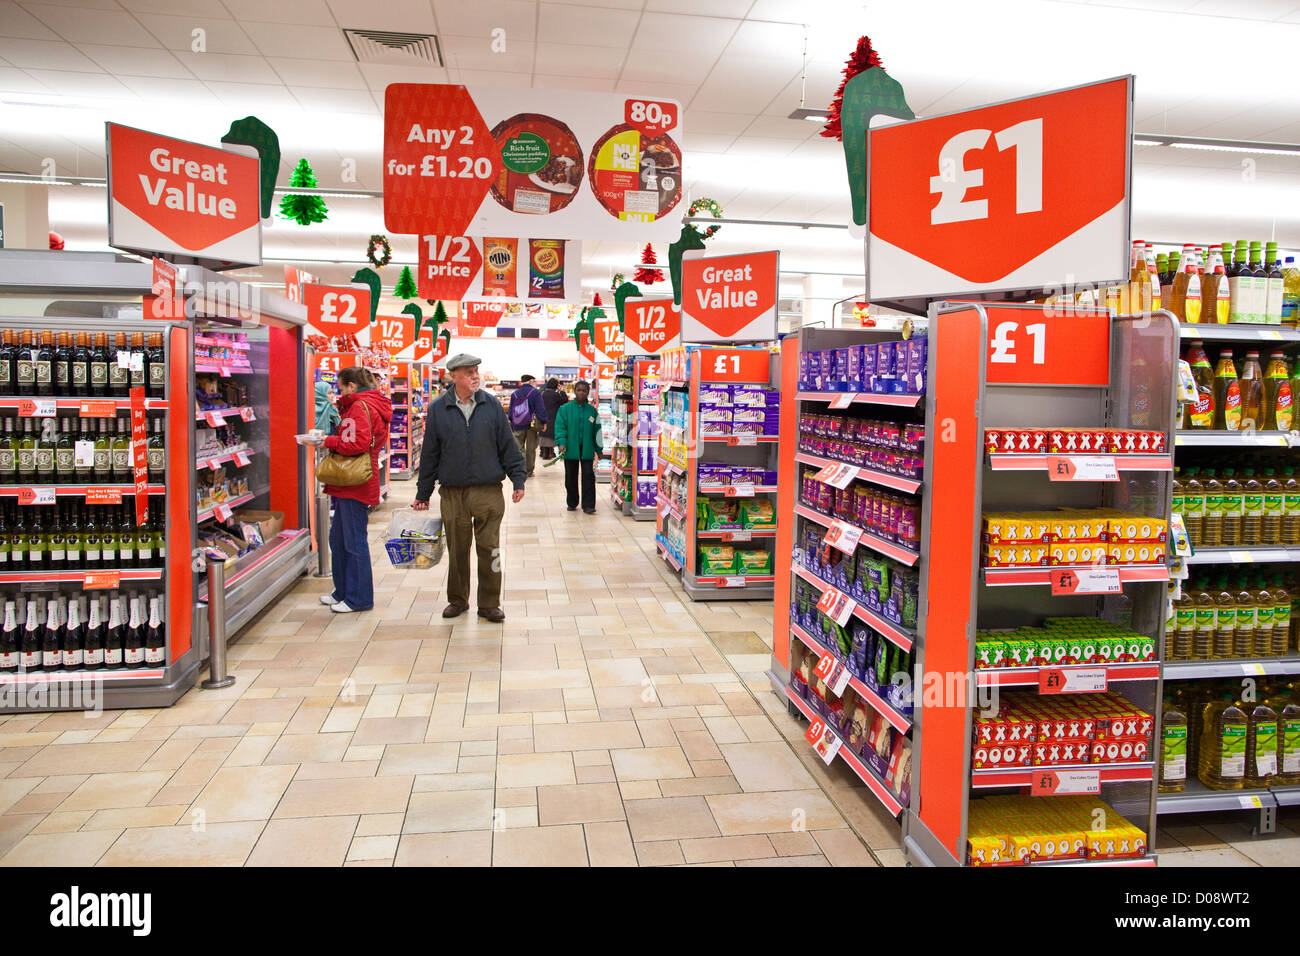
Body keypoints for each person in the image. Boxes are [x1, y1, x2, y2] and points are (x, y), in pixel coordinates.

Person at [413, 354, 526, 623]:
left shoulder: (492, 405)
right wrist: (423, 492)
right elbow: (430, 453)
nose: (475, 376)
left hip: (488, 491)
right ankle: (458, 599)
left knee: (490, 548)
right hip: (453, 493)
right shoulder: (439, 408)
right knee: (457, 549)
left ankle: (489, 603)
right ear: (453, 376)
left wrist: (518, 479)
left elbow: (507, 444)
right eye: (467, 372)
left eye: (476, 371)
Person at [317, 366, 391, 614]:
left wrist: (325, 441)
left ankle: (359, 598)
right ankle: (344, 592)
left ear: (352, 386)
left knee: (353, 541)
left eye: (341, 388)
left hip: (354, 480)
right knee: (338, 539)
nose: (339, 393)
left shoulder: (359, 406)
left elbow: (356, 442)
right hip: (353, 480)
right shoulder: (369, 404)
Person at [553, 379, 603, 514]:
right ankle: (572, 502)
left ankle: (588, 505)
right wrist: (561, 442)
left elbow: (597, 431)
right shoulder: (565, 409)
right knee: (571, 477)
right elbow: (560, 427)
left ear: (588, 393)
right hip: (570, 448)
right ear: (575, 391)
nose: (581, 393)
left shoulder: (592, 411)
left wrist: (599, 449)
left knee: (588, 475)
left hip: (587, 448)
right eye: (579, 390)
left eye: (584, 390)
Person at [507, 374, 548, 477]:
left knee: (519, 447)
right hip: (531, 425)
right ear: (530, 381)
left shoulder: (515, 394)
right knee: (531, 448)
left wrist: (512, 421)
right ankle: (529, 471)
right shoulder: (535, 392)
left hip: (518, 424)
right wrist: (544, 421)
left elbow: (511, 411)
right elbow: (540, 409)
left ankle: (521, 469)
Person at [538, 377, 568, 461]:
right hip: (553, 417)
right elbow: (564, 401)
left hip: (543, 417)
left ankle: (544, 453)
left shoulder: (542, 393)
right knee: (551, 435)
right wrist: (561, 391)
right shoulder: (555, 394)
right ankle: (551, 453)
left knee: (544, 434)